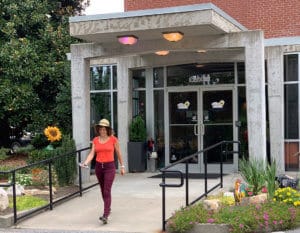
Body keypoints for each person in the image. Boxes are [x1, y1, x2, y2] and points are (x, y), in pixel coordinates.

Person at [80, 119, 125, 224]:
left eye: (104, 129)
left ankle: (105, 215)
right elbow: (92, 153)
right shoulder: (95, 140)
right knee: (102, 190)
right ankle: (108, 208)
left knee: (106, 190)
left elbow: (118, 153)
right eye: (101, 129)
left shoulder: (113, 139)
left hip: (110, 167)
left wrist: (122, 166)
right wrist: (86, 162)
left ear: (108, 130)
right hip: (99, 167)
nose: (102, 131)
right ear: (98, 130)